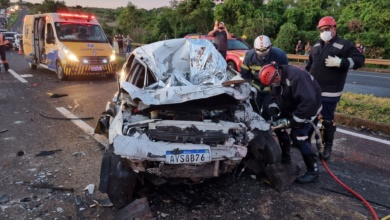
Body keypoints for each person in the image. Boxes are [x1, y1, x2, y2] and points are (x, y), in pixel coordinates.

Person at [305, 16, 365, 160]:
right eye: (321, 30)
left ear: (334, 28)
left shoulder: (344, 45)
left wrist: (342, 62)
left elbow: (359, 60)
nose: (324, 32)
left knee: (326, 120)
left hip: (330, 91)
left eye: (326, 29)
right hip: (314, 89)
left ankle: (327, 148)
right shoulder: (317, 46)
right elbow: (309, 65)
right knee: (309, 117)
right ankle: (305, 141)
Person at [259, 62, 322, 184]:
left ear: (276, 76)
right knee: (278, 127)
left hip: (309, 109)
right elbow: (275, 96)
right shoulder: (276, 77)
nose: (273, 85)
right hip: (293, 104)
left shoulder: (296, 77)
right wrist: (274, 109)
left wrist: (295, 121)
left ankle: (313, 171)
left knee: (299, 136)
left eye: (273, 82)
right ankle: (286, 157)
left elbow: (308, 100)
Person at [240, 35, 291, 164]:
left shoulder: (279, 56)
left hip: (273, 91)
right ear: (254, 49)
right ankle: (253, 149)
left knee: (276, 121)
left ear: (270, 47)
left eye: (265, 52)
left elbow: (286, 77)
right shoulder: (249, 56)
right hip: (256, 91)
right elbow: (244, 77)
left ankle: (286, 154)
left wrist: (281, 97)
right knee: (254, 118)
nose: (262, 55)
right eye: (259, 52)